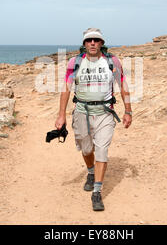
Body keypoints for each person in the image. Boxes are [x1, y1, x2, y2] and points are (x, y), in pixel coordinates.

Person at [55, 28, 132, 211]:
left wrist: (128, 110)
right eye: (89, 40)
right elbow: (66, 89)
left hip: (105, 112)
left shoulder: (112, 61)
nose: (92, 43)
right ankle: (90, 171)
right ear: (84, 44)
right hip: (81, 111)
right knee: (86, 148)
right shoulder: (75, 62)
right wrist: (61, 115)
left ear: (101, 43)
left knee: (102, 150)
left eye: (96, 40)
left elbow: (123, 86)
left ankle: (97, 192)